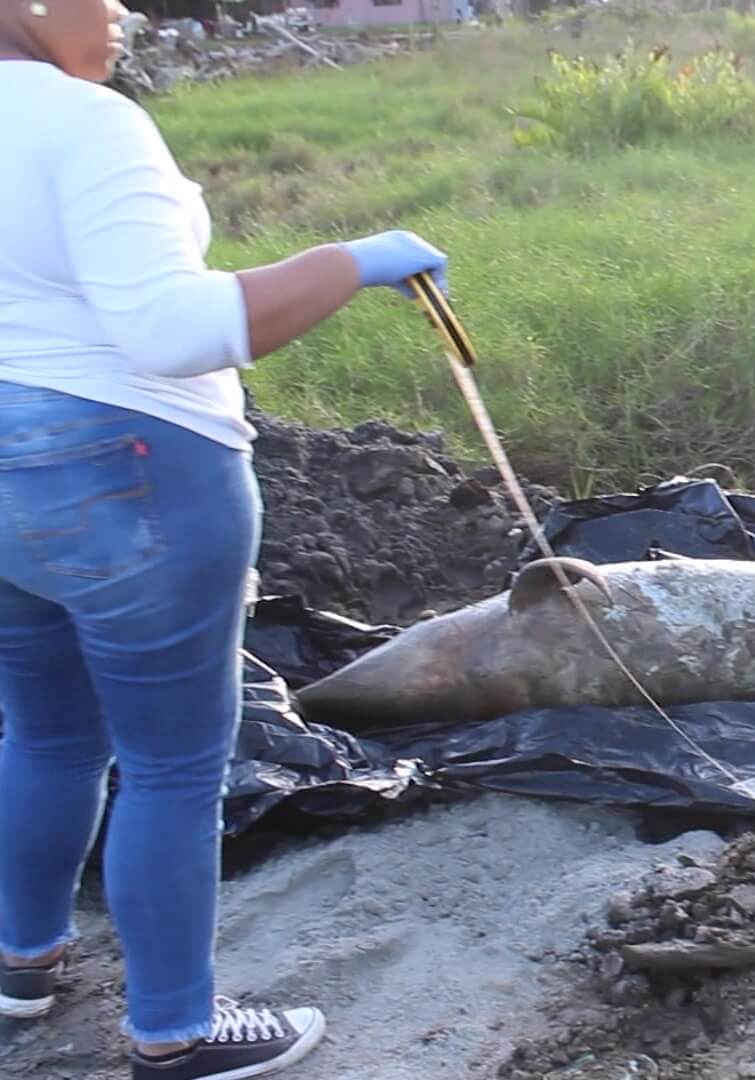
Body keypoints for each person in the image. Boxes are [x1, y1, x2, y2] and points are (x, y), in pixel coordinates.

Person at [0, 0, 451, 1076]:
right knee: (174, 763)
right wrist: (351, 260)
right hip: (128, 467)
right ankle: (178, 1031)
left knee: (47, 735)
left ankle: (21, 966)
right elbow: (171, 330)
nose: (121, 14)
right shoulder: (84, 122)